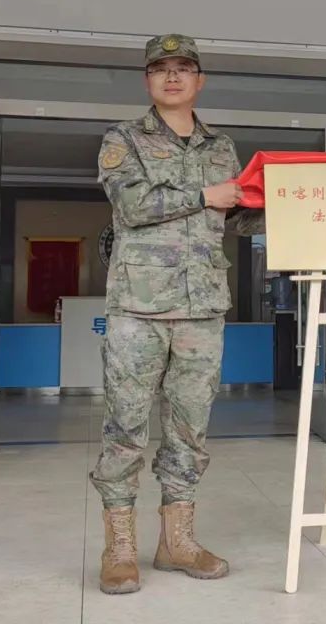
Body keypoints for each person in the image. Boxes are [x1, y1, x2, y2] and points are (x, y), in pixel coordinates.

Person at [89, 33, 263, 594]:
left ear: (199, 80)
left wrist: (276, 204)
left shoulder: (221, 146)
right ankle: (120, 546)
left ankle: (177, 541)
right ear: (147, 80)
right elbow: (130, 204)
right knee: (126, 427)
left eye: (183, 68)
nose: (172, 77)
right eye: (160, 68)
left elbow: (234, 217)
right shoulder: (123, 138)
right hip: (137, 307)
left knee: (190, 428)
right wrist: (207, 194)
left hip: (202, 306)